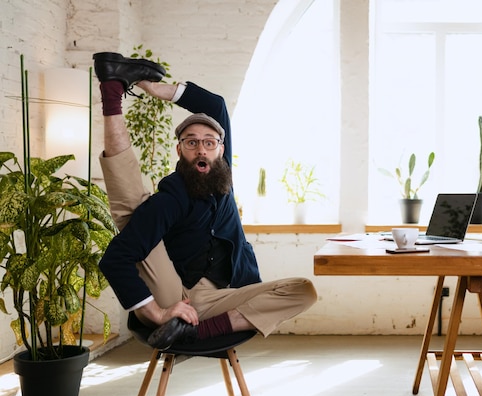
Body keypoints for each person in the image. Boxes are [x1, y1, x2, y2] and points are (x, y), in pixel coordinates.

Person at [92, 52, 317, 349]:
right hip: (175, 295)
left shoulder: (224, 177)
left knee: (303, 291)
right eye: (191, 142)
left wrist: (150, 86)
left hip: (226, 296)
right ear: (179, 150)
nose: (201, 149)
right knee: (135, 213)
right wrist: (158, 314)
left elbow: (216, 107)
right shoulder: (172, 198)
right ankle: (111, 92)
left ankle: (196, 332)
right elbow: (115, 258)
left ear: (221, 150)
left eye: (209, 142)